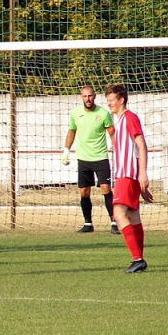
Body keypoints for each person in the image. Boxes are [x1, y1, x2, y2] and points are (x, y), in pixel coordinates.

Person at [105, 84, 153, 273]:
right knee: (132, 216)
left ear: (121, 100)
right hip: (126, 175)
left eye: (111, 100)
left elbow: (141, 145)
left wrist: (142, 173)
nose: (109, 104)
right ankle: (139, 260)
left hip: (127, 174)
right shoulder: (119, 121)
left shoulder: (129, 118)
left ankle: (137, 258)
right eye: (107, 100)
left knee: (118, 214)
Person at [62, 86, 118, 234]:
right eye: (85, 96)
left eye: (90, 96)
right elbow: (72, 131)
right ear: (81, 97)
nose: (88, 99)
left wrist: (118, 151)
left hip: (100, 157)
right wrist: (66, 151)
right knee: (84, 192)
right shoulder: (75, 113)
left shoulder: (103, 113)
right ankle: (88, 224)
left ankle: (114, 222)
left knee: (106, 188)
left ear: (95, 96)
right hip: (83, 158)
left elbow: (112, 133)